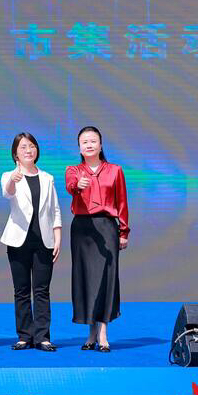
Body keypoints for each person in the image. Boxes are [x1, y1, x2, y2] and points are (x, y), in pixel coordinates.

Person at [65, 126, 129, 353]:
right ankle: (90, 331)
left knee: (105, 279)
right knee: (85, 279)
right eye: (84, 142)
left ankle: (102, 332)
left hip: (106, 228)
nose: (89, 145)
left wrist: (123, 232)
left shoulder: (115, 170)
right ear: (79, 148)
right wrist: (78, 185)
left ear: (101, 145)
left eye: (93, 141)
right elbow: (70, 186)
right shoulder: (73, 170)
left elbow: (122, 202)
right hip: (82, 230)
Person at [0, 132, 62, 352]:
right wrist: (13, 180)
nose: (28, 150)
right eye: (23, 147)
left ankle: (43, 336)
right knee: (21, 290)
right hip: (18, 241)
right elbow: (7, 193)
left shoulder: (47, 178)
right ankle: (25, 336)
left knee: (42, 290)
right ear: (15, 153)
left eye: (32, 146)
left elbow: (55, 209)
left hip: (44, 240)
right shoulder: (9, 176)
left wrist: (58, 236)